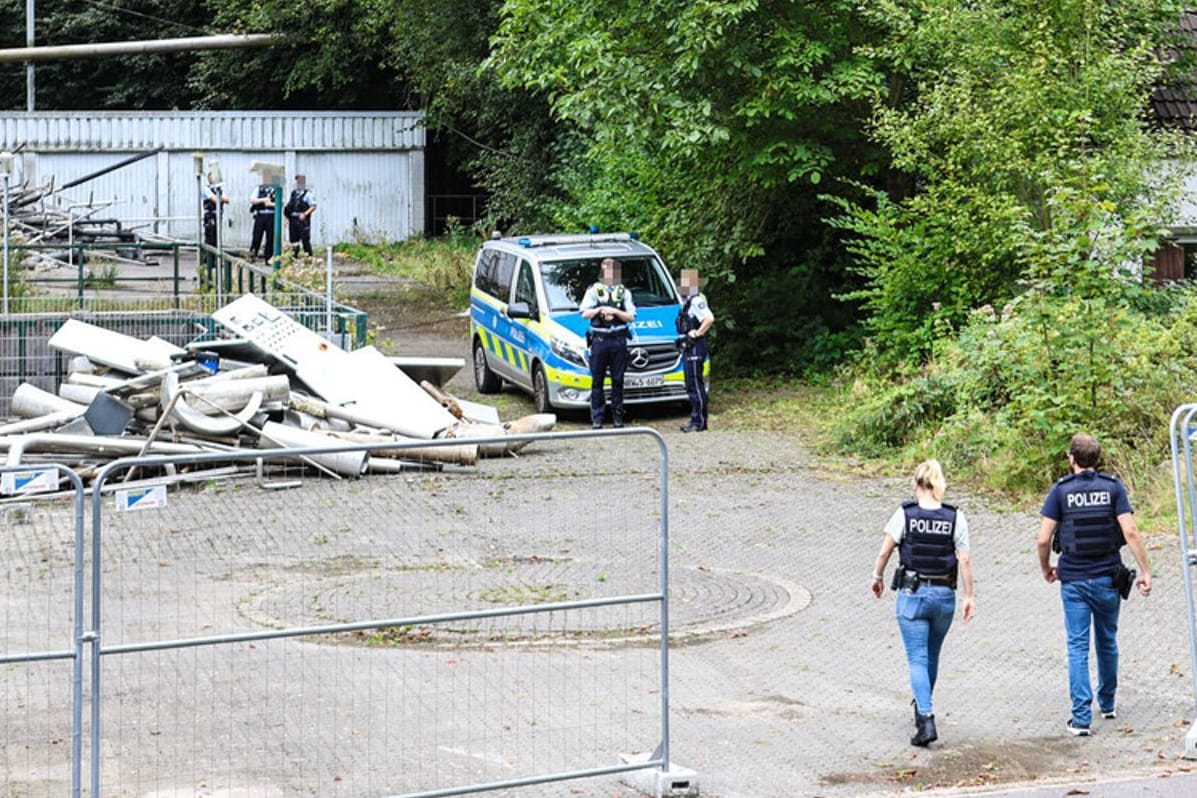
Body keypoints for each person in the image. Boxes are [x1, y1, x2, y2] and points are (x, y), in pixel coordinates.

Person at [1036, 433, 1152, 737]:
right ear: (1096, 459)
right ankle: (1108, 703)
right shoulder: (1113, 487)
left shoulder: (1060, 492)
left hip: (1073, 579)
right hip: (1107, 577)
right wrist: (1145, 571)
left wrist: (1046, 567)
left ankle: (1081, 718)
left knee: (1077, 646)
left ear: (1072, 459)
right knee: (1107, 641)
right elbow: (1131, 531)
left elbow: (1043, 538)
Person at [871, 459, 975, 747]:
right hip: (944, 596)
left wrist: (877, 577)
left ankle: (926, 718)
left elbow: (885, 551)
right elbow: (964, 559)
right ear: (939, 485)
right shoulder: (956, 517)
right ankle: (922, 709)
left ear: (917, 484)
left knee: (916, 658)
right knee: (931, 655)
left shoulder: (905, 514)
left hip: (913, 595)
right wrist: (969, 596)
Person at [580, 257, 636, 429]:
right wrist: (600, 310)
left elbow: (631, 316)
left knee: (618, 381)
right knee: (597, 381)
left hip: (618, 341)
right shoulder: (594, 291)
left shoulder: (624, 292)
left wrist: (615, 312)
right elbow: (584, 313)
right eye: (606, 270)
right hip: (600, 341)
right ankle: (597, 418)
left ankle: (618, 418)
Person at [676, 268, 714, 432]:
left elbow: (709, 318)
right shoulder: (687, 301)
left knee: (695, 385)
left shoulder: (697, 300)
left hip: (695, 346)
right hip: (689, 346)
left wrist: (697, 334)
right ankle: (696, 419)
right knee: (690, 384)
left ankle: (699, 421)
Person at [200, 172, 230, 282]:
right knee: (210, 238)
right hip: (210, 215)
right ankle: (208, 261)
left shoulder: (220, 189)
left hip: (218, 215)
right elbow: (214, 200)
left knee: (217, 238)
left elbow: (227, 200)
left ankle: (216, 261)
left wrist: (221, 198)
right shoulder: (206, 189)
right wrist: (221, 199)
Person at [284, 174, 317, 257]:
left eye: (300, 182)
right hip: (293, 219)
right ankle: (294, 257)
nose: (299, 184)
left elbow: (313, 206)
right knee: (293, 241)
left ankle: (309, 258)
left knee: (305, 239)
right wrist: (287, 218)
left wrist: (305, 214)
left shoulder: (308, 194)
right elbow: (289, 207)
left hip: (303, 220)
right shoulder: (293, 193)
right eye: (297, 182)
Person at [249, 176, 277, 264]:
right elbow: (252, 200)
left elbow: (280, 203)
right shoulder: (259, 188)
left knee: (270, 238)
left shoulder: (276, 189)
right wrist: (263, 200)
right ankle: (252, 256)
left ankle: (268, 258)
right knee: (256, 236)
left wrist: (271, 204)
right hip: (260, 215)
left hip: (271, 216)